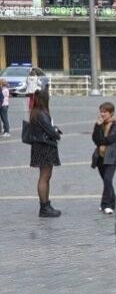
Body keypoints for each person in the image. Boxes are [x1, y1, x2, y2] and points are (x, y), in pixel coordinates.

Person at [27, 89, 62, 218]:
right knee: (44, 177)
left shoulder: (36, 112)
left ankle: (46, 204)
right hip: (44, 147)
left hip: (41, 146)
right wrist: (56, 133)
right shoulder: (41, 114)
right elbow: (50, 131)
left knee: (46, 177)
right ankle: (44, 207)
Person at [91, 101, 116, 214]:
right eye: (101, 111)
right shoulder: (100, 124)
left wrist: (101, 140)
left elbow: (110, 139)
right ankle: (106, 203)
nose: (102, 114)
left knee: (108, 180)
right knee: (106, 181)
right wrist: (98, 126)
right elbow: (95, 139)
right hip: (100, 157)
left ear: (111, 113)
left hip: (110, 157)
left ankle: (109, 205)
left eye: (105, 112)